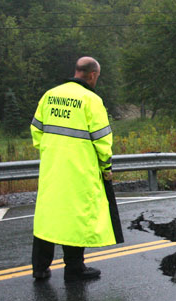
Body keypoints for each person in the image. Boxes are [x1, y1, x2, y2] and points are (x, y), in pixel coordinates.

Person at [30, 56, 123, 282]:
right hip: (80, 171)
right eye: (97, 77)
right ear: (92, 75)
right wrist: (106, 167)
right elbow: (103, 141)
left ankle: (40, 269)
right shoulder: (91, 100)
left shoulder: (50, 95)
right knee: (75, 217)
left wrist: (53, 152)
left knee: (48, 217)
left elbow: (36, 131)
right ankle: (74, 267)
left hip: (53, 169)